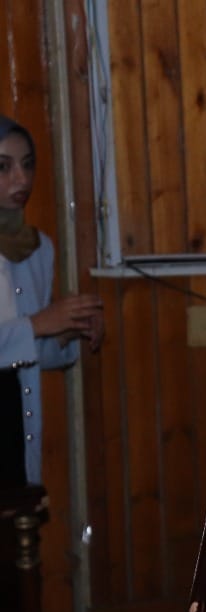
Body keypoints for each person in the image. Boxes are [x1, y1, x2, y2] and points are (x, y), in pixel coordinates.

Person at [0, 114, 103, 488]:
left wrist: (68, 330)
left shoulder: (39, 249)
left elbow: (25, 356)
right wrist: (40, 323)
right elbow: (30, 330)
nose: (21, 179)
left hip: (15, 428)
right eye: (3, 167)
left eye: (27, 165)